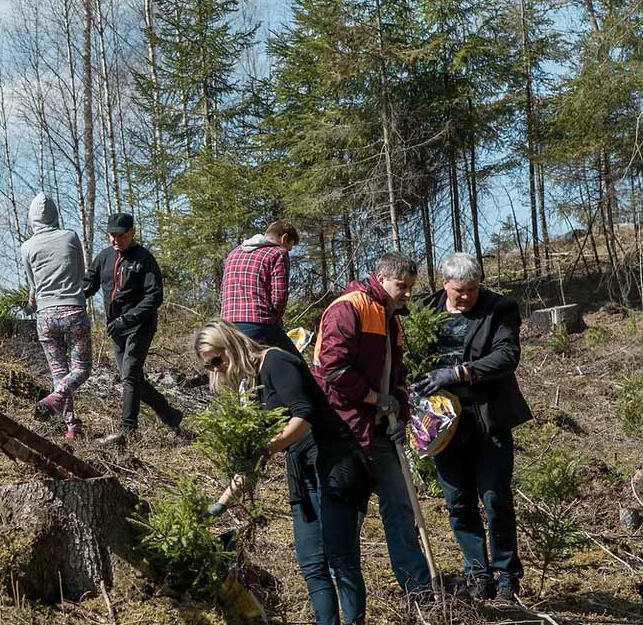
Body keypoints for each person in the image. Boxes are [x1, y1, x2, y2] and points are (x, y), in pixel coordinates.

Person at [195, 319, 373, 625]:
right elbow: (253, 459)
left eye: (216, 360)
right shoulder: (251, 386)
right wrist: (220, 505)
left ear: (232, 345)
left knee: (340, 559)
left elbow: (304, 417)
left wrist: (267, 448)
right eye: (208, 366)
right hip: (301, 469)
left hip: (335, 462)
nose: (216, 369)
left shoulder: (277, 361)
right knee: (311, 562)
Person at [312, 252, 432, 614]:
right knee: (349, 517)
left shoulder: (391, 318)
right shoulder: (348, 309)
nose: (408, 294)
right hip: (345, 430)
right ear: (381, 277)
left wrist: (398, 406)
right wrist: (372, 398)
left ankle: (420, 592)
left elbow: (396, 374)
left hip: (380, 431)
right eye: (402, 286)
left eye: (411, 287)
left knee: (399, 504)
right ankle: (343, 600)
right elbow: (332, 371)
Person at [415, 252, 532, 603]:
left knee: (495, 498)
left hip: (487, 419)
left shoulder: (499, 308)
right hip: (441, 425)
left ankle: (506, 575)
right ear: (444, 283)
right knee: (458, 502)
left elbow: (506, 356)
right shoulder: (424, 311)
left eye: (472, 289)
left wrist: (457, 372)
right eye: (459, 290)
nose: (466, 296)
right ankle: (477, 574)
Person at [83, 212, 182, 444]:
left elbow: (155, 296)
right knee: (132, 378)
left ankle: (128, 431)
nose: (115, 240)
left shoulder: (144, 258)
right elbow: (89, 283)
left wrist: (128, 319)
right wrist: (68, 296)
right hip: (115, 328)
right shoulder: (104, 257)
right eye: (111, 235)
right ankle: (170, 415)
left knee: (129, 375)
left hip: (140, 325)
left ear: (132, 233)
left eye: (120, 235)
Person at [21, 193, 90, 440]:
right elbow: (81, 273)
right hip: (73, 311)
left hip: (45, 316)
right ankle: (57, 399)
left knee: (59, 373)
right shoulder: (70, 237)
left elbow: (33, 287)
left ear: (32, 219)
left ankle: (71, 426)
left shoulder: (27, 247)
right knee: (81, 369)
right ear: (55, 215)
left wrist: (30, 305)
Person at [220, 220, 300, 355]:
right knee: (295, 364)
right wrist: (276, 321)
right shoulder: (278, 253)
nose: (288, 251)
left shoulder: (233, 253)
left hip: (227, 327)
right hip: (259, 324)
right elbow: (279, 297)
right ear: (284, 238)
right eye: (289, 247)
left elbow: (223, 290)